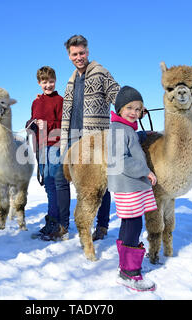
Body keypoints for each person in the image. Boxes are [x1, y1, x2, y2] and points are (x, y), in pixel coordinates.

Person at [51, 34, 120, 241]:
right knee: (60, 178)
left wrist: (131, 104)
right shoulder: (71, 81)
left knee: (100, 183)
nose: (78, 57)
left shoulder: (100, 73)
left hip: (94, 138)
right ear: (69, 55)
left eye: (81, 53)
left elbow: (117, 93)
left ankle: (102, 226)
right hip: (72, 138)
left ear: (87, 52)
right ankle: (63, 224)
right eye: (74, 54)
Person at [107, 85, 157, 292]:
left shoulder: (125, 128)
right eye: (129, 108)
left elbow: (131, 144)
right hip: (128, 185)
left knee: (129, 223)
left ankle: (125, 266)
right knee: (134, 225)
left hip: (129, 185)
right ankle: (129, 273)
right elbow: (121, 160)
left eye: (138, 109)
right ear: (119, 109)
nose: (134, 113)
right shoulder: (119, 130)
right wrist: (144, 171)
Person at [26, 66, 64, 241]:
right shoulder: (36, 102)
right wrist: (33, 124)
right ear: (39, 83)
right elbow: (32, 121)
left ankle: (58, 222)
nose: (48, 85)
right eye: (44, 82)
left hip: (55, 145)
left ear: (55, 81)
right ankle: (52, 220)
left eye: (51, 81)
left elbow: (62, 123)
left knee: (55, 183)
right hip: (41, 146)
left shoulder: (59, 100)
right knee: (48, 185)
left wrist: (45, 123)